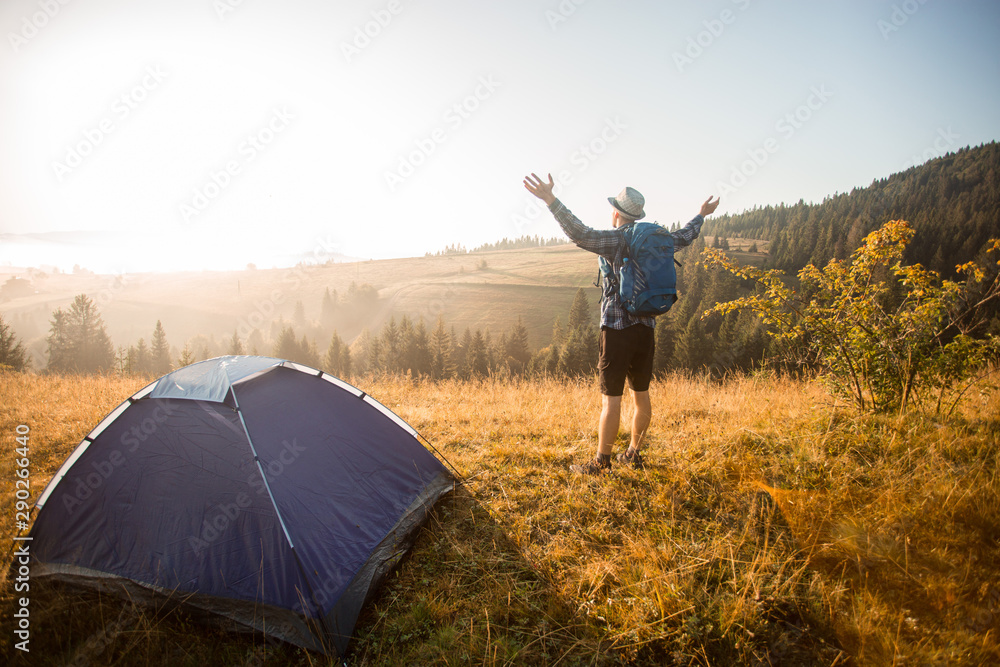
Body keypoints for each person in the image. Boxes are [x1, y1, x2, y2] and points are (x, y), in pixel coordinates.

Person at [522, 172, 719, 474]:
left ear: (616, 212)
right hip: (646, 328)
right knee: (641, 395)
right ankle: (634, 454)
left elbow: (579, 233)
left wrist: (550, 199)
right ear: (637, 214)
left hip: (615, 329)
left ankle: (602, 464)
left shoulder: (616, 239)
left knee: (611, 401)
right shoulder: (659, 238)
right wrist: (701, 215)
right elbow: (685, 236)